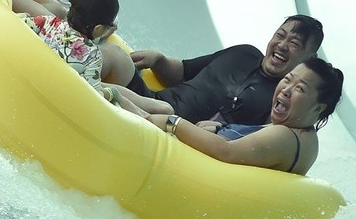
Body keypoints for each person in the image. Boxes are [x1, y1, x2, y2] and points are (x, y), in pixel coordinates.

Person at [146, 57, 343, 175]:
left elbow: (226, 152)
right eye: (287, 80)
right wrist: (220, 128)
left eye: (300, 88)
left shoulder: (287, 136)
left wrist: (174, 123)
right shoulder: (299, 132)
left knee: (162, 113)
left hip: (191, 175)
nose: (285, 90)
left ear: (318, 108)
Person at [129, 15, 324, 124]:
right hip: (152, 101)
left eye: (294, 44)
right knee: (115, 56)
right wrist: (158, 60)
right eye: (280, 35)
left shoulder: (282, 99)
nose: (282, 45)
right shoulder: (243, 53)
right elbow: (182, 72)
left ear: (310, 59)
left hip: (175, 131)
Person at [23, 0, 170, 119]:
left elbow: (18, 24)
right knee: (120, 94)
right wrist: (113, 94)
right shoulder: (92, 56)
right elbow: (93, 96)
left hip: (38, 77)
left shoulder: (46, 22)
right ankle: (149, 117)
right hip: (63, 95)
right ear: (99, 29)